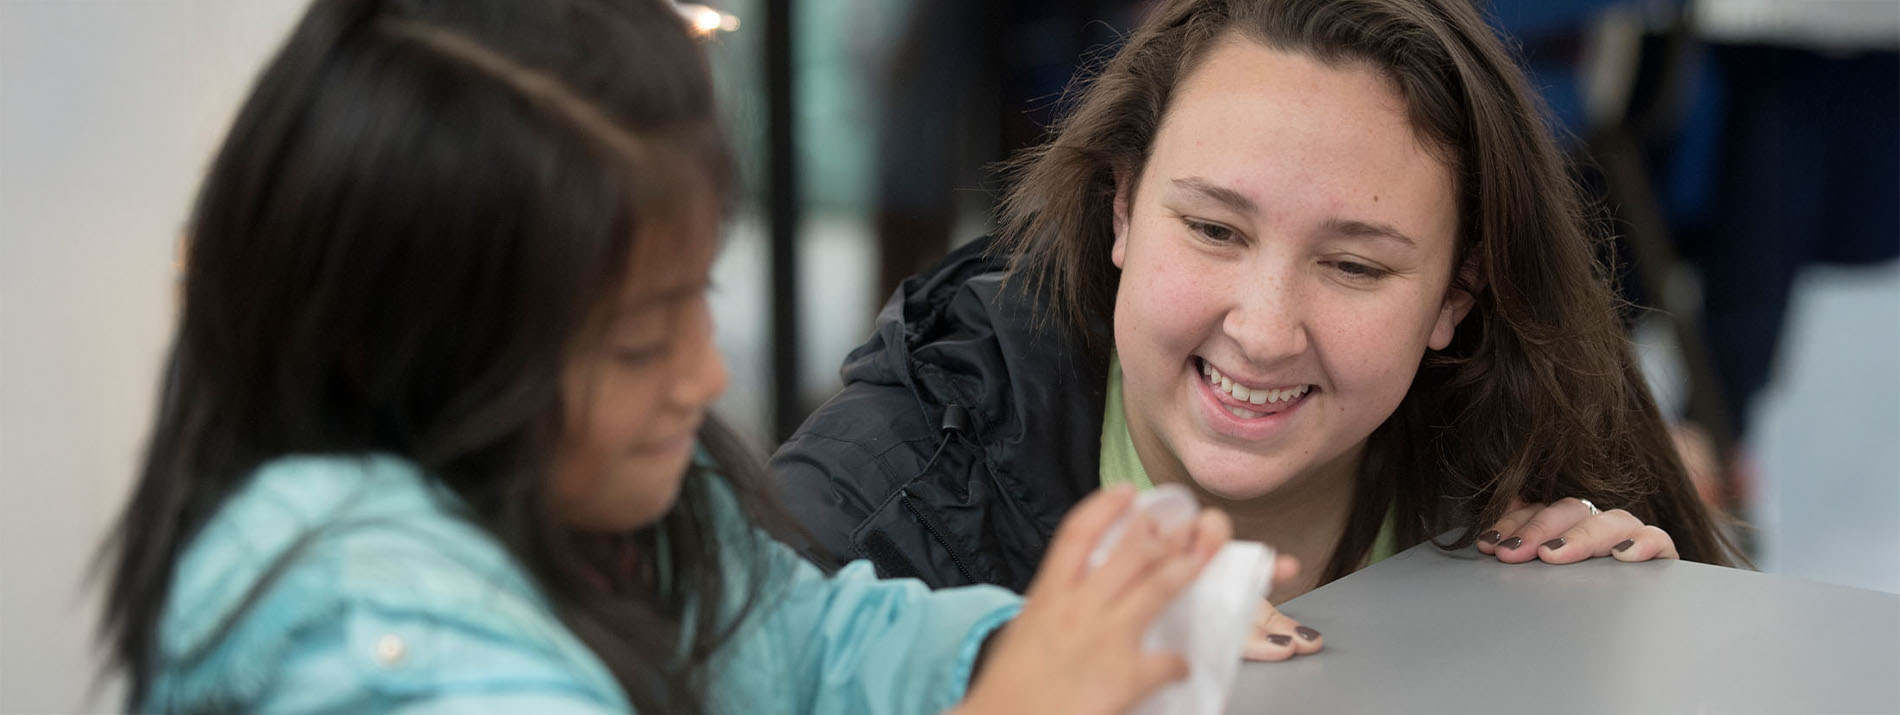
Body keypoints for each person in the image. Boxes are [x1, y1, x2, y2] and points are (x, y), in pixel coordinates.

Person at [94, 1, 1241, 712]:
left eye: (696, 302)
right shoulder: (346, 626)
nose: (702, 379)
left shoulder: (627, 518)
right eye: (641, 341)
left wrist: (1049, 636)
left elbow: (809, 643)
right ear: (388, 346)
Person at [770, 0, 1741, 661]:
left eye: (1354, 265)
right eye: (1211, 229)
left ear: (1460, 292)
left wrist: (1621, 640)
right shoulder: (878, 503)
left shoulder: (1541, 432)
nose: (1265, 330)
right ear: (1121, 210)